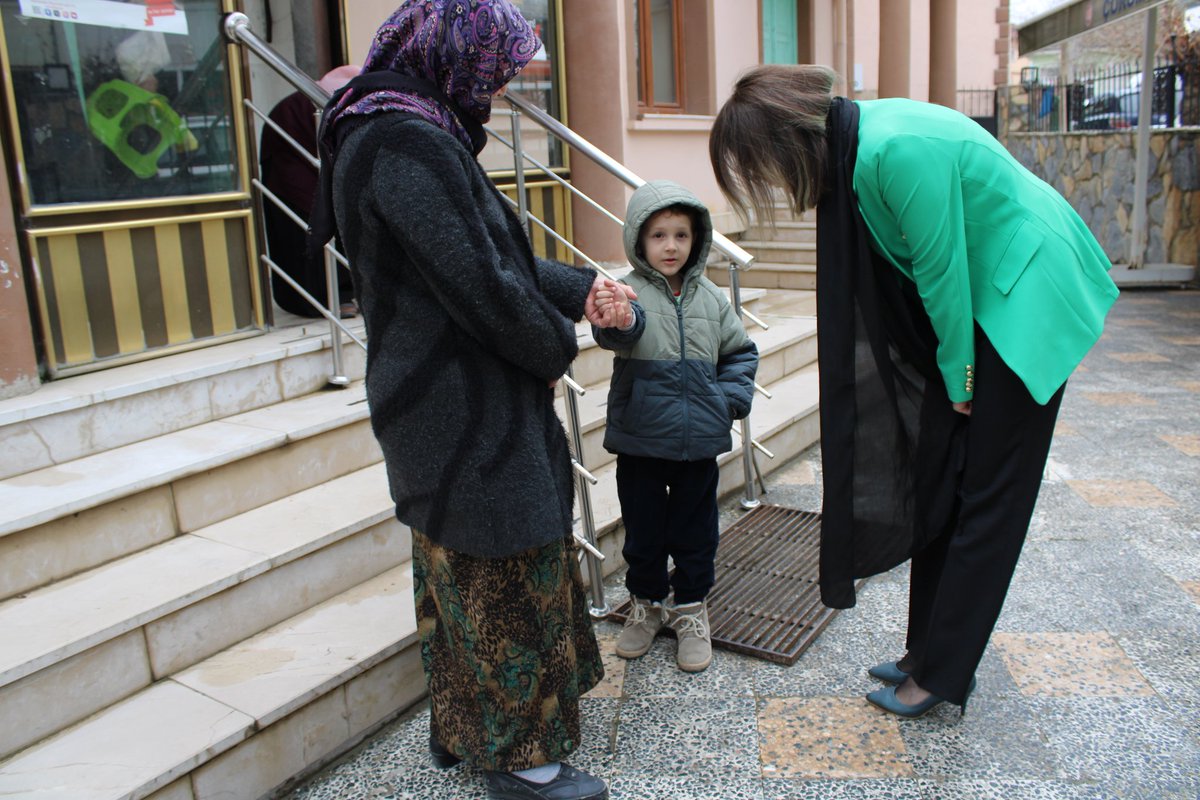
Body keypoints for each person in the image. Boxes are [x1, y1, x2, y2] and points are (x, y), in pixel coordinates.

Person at [709, 65, 1119, 718]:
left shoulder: (891, 149)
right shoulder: (864, 144)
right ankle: (925, 652)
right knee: (951, 483)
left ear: (789, 142)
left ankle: (943, 674)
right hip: (996, 294)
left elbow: (941, 273)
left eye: (766, 165)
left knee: (988, 497)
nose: (776, 183)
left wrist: (959, 382)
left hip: (1030, 292)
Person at [308, 2, 634, 798]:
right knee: (502, 575)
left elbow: (494, 257)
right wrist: (557, 344)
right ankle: (525, 767)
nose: (503, 83)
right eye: (497, 68)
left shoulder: (401, 123)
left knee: (460, 576)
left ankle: (463, 730)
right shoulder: (403, 140)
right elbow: (482, 282)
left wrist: (583, 286)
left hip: (444, 405)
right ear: (456, 57)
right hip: (457, 409)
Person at [592, 180, 759, 674]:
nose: (670, 246)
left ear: (697, 239)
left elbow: (739, 352)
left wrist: (727, 400)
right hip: (642, 440)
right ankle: (645, 605)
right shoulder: (630, 292)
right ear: (639, 242)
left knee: (696, 530)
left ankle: (690, 608)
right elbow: (619, 329)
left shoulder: (711, 297)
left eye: (681, 235)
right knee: (643, 531)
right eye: (659, 235)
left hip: (698, 441)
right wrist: (616, 319)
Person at [259, 65, 360, 318]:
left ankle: (334, 297)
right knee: (312, 234)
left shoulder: (311, 101)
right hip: (295, 177)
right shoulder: (315, 104)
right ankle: (327, 300)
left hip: (297, 176)